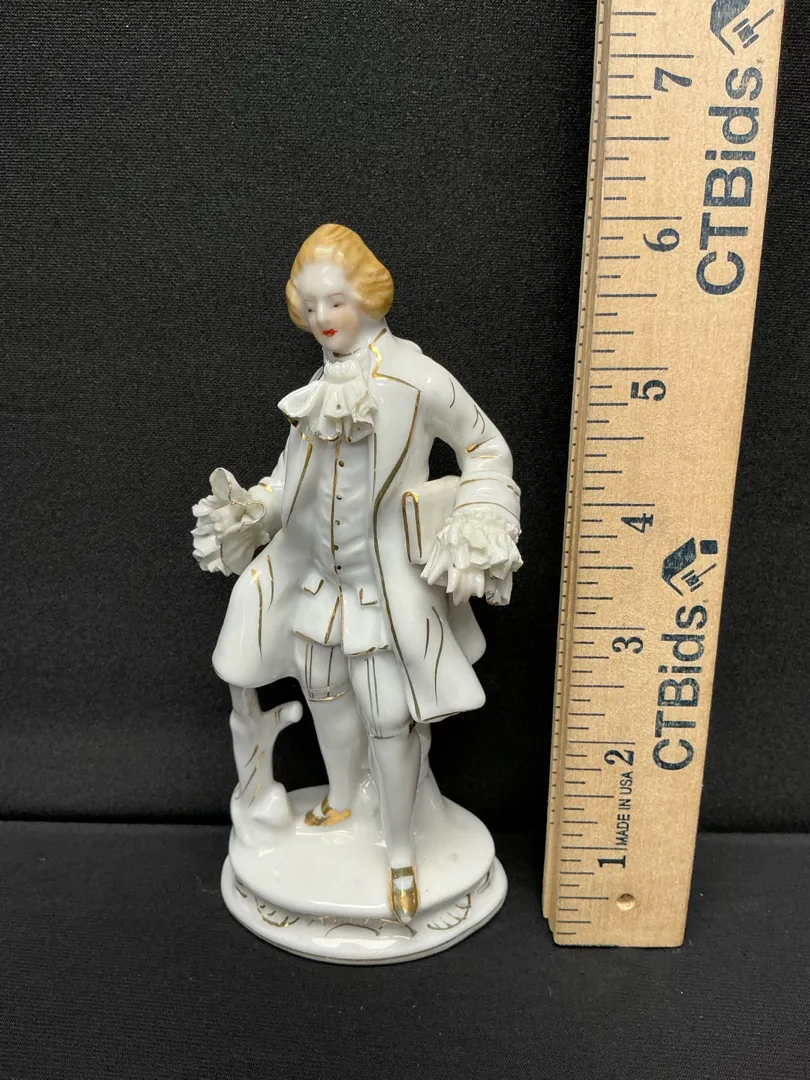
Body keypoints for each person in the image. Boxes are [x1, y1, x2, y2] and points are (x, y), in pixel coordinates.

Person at [192, 223, 522, 923]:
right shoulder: (318, 387)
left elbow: (487, 449)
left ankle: (400, 851)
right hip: (319, 584)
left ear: (368, 296)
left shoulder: (418, 378)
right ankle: (344, 800)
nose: (321, 318)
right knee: (323, 691)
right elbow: (291, 480)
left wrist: (480, 520)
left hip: (385, 593)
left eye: (334, 302)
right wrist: (253, 511)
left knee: (388, 716)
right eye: (309, 305)